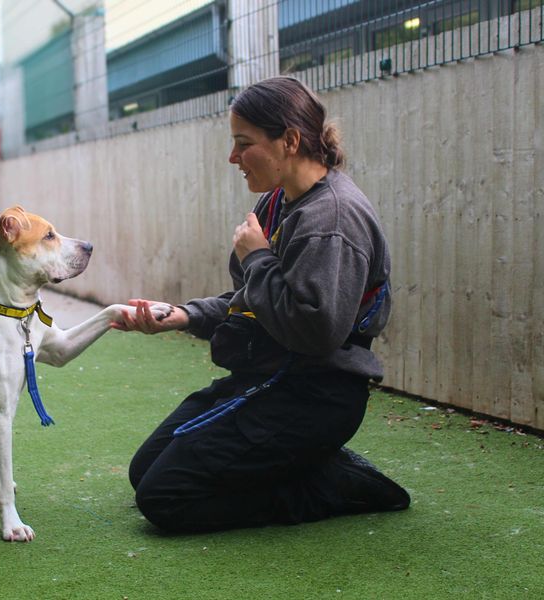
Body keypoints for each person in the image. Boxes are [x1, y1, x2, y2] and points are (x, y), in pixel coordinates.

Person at [113, 76, 410, 533]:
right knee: (144, 471)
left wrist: (258, 257)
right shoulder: (280, 201)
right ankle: (297, 463)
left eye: (243, 144)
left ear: (289, 141)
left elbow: (316, 332)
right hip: (269, 378)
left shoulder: (330, 219)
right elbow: (254, 300)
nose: (233, 158)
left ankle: (331, 483)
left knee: (165, 497)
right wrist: (186, 315)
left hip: (312, 396)